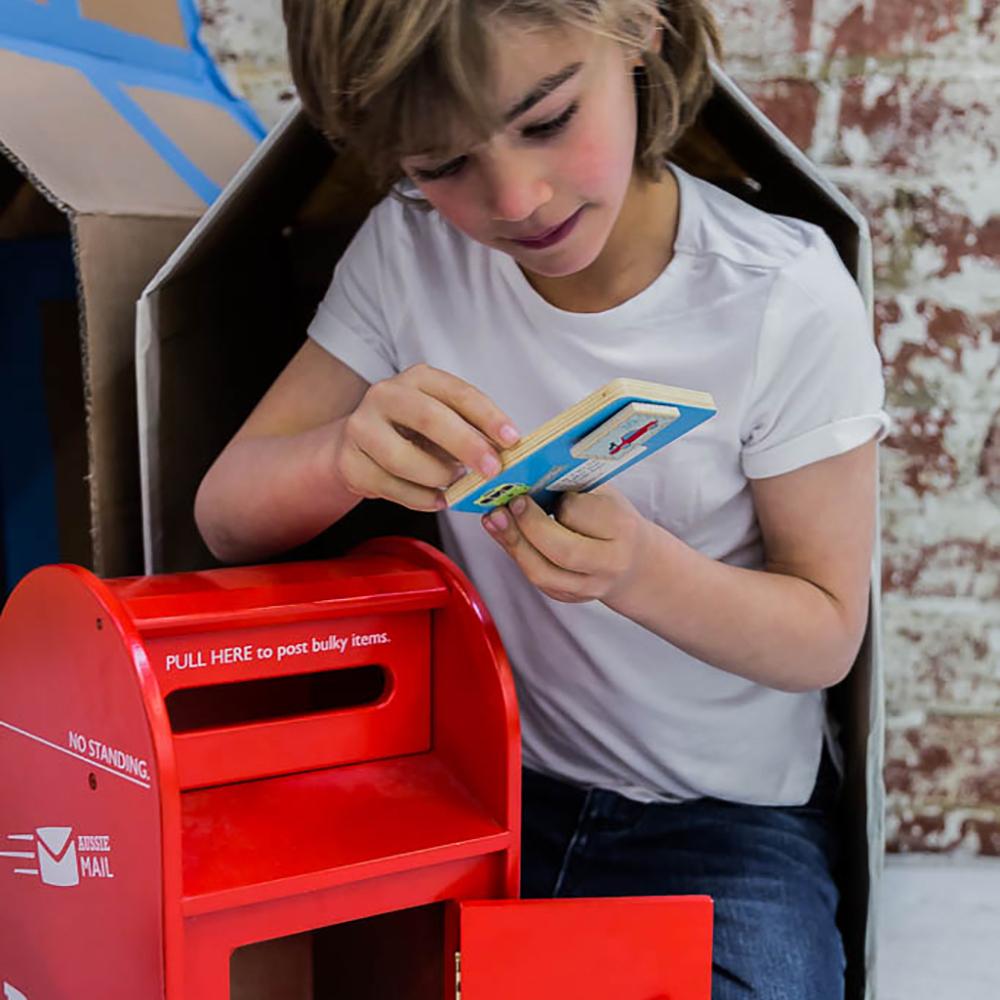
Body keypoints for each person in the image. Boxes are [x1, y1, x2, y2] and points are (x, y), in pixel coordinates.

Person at [195, 2, 890, 996]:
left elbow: (823, 634)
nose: (515, 197)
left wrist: (638, 570)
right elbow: (224, 516)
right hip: (473, 790)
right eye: (440, 164)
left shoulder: (777, 295)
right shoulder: (412, 252)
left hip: (721, 823)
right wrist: (345, 455)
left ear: (642, 31)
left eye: (549, 119)